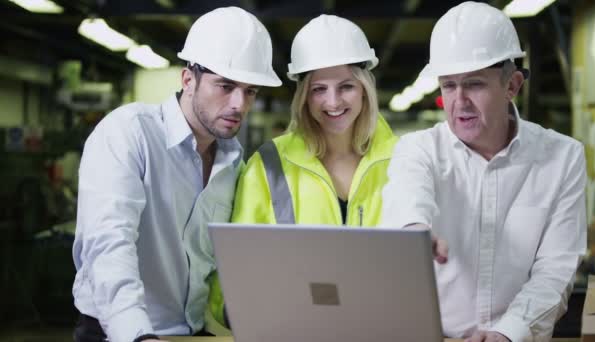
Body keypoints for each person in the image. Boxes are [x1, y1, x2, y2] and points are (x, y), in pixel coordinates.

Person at [71, 7, 281, 342]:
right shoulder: (129, 133)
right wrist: (136, 334)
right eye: (225, 86)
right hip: (120, 332)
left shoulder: (234, 164)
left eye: (250, 91)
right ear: (188, 79)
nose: (239, 104)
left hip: (192, 332)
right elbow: (109, 243)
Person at [381, 2, 586, 341]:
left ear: (512, 86)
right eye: (448, 85)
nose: (459, 100)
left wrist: (508, 333)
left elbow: (556, 267)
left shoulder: (562, 158)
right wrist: (413, 232)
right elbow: (408, 196)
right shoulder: (418, 149)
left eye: (474, 84)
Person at [206, 14, 397, 332]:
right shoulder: (268, 166)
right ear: (304, 96)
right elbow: (236, 271)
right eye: (319, 89)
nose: (332, 102)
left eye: (346, 87)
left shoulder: (405, 161)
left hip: (385, 332)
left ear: (365, 90)